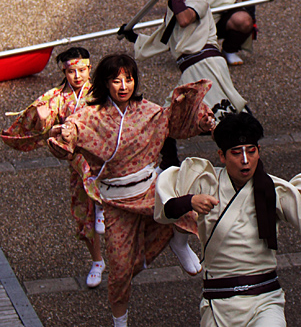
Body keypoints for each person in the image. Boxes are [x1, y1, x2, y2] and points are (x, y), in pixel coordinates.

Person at [48, 53, 215, 327]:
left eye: (129, 79)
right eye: (116, 80)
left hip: (150, 188)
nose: (123, 86)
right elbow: (70, 132)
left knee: (188, 206)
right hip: (116, 200)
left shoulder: (148, 110)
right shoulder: (91, 115)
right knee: (121, 270)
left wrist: (201, 122)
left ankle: (179, 240)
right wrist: (65, 136)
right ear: (105, 83)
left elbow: (174, 122)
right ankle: (120, 322)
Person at [154, 112, 301, 327]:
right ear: (222, 155)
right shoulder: (206, 182)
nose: (245, 160)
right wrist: (190, 201)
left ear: (258, 152)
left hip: (265, 300)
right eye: (237, 153)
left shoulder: (272, 189)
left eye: (251, 151)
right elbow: (166, 209)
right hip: (218, 301)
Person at [1, 47, 105, 288]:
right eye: (71, 71)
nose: (77, 76)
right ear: (64, 72)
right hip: (76, 160)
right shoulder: (57, 96)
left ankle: (130, 254)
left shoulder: (101, 91)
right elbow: (37, 124)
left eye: (81, 70)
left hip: (102, 159)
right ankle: (97, 261)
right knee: (82, 213)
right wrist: (43, 117)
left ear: (90, 69)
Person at [121, 0, 248, 122]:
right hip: (190, 68)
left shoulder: (197, 0)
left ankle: (245, 137)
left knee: (223, 109)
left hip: (206, 65)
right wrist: (134, 37)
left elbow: (185, 19)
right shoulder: (172, 10)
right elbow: (164, 40)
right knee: (178, 112)